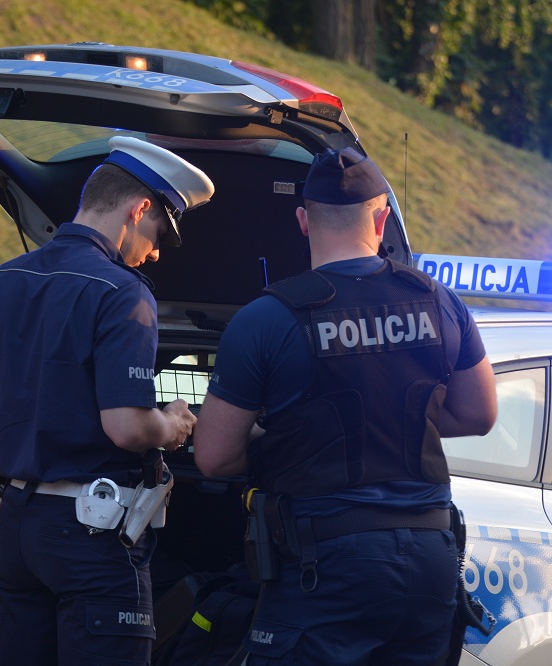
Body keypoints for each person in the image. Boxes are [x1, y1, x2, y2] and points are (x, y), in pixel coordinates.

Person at [192, 147, 497, 665]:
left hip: (327, 564)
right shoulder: (439, 300)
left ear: (303, 221)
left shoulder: (267, 318)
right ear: (382, 219)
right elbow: (478, 414)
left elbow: (214, 457)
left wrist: (296, 441)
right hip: (429, 556)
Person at [0, 136, 211, 666]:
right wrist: (170, 425)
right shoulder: (122, 292)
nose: (158, 250)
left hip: (16, 531)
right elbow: (125, 426)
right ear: (138, 208)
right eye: (157, 232)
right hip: (92, 539)